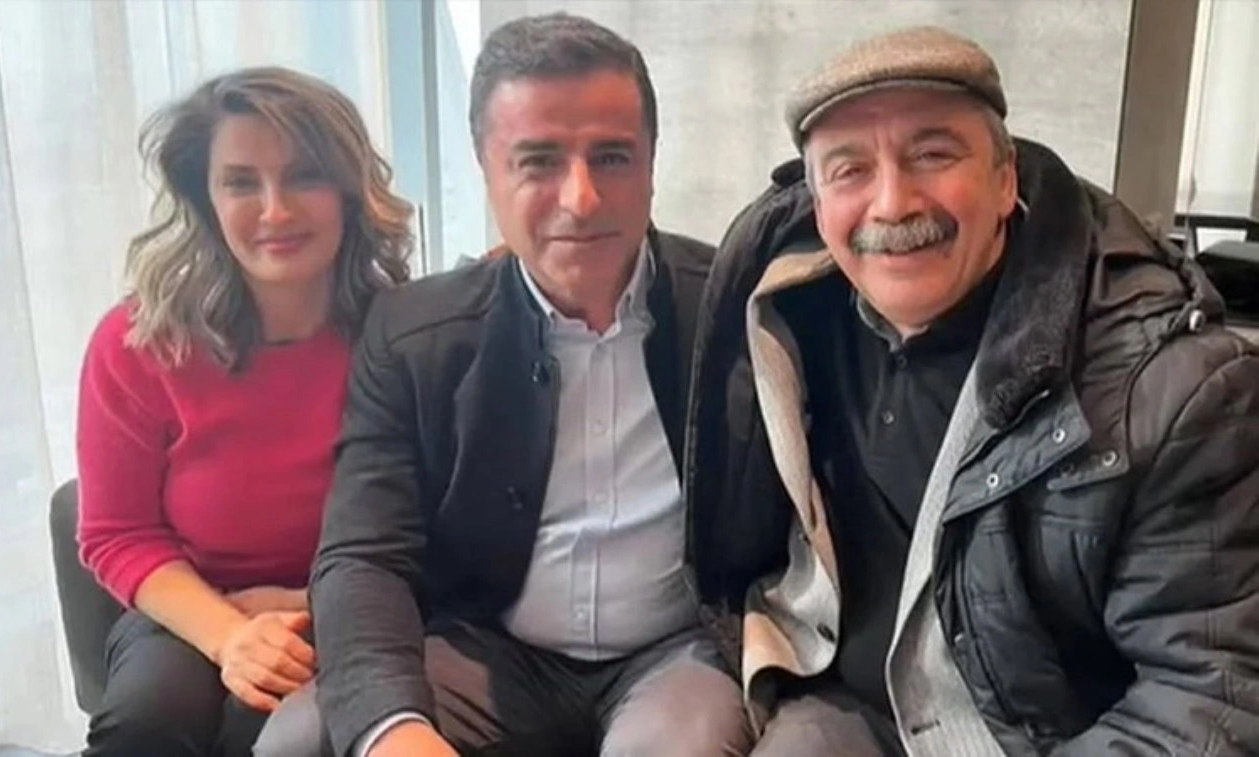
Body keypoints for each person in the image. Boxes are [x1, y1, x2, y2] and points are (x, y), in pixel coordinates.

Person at [684, 25, 1259, 757]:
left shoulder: (1176, 389)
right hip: (845, 705)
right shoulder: (785, 314)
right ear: (816, 204)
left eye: (932, 154)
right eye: (849, 169)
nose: (892, 204)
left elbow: (1209, 696)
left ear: (1005, 178)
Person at [285, 13, 761, 757]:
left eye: (612, 157)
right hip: (486, 647)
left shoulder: (739, 310)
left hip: (675, 655)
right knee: (304, 738)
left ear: (651, 163)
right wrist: (394, 729)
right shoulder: (413, 335)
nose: (582, 198)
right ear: (487, 171)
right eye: (538, 161)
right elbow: (363, 558)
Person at [75, 66, 412, 756]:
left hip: (365, 603)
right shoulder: (138, 342)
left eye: (304, 177)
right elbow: (117, 532)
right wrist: (232, 636)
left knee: (292, 734)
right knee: (145, 725)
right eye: (240, 183)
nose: (275, 211)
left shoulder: (405, 335)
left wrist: (312, 605)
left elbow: (449, 521)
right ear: (205, 199)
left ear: (350, 192)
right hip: (193, 608)